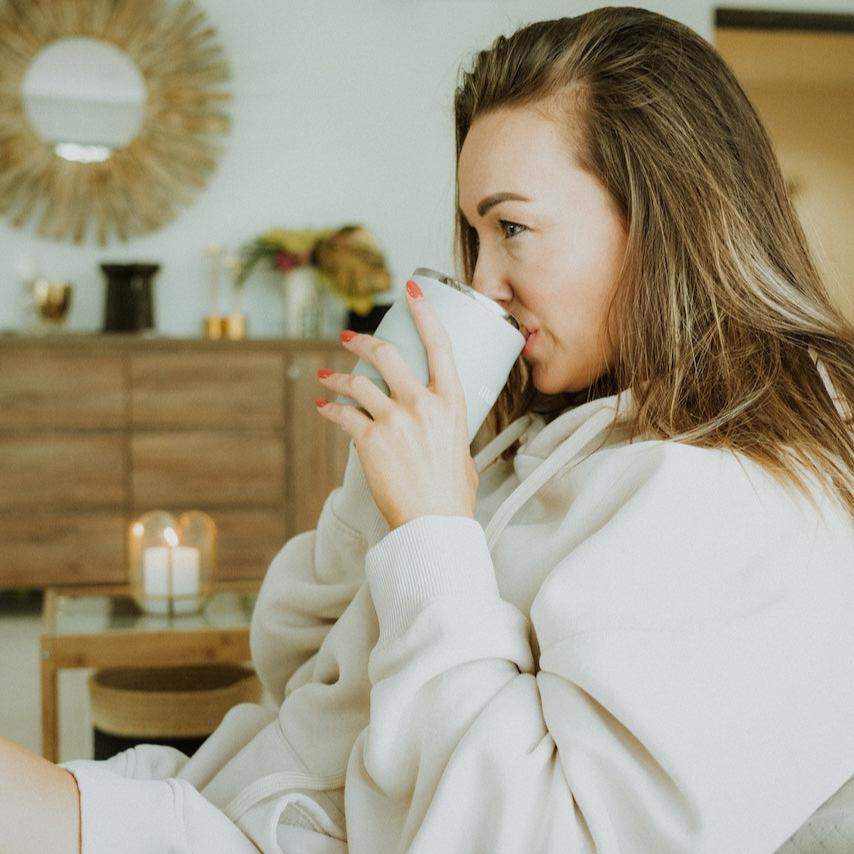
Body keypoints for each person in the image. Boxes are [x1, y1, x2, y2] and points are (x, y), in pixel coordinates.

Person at [2, 6, 853, 853]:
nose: (484, 281)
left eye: (513, 227)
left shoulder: (747, 500)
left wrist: (435, 535)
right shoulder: (559, 434)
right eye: (476, 234)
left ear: (669, 214)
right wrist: (382, 487)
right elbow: (300, 673)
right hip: (232, 803)